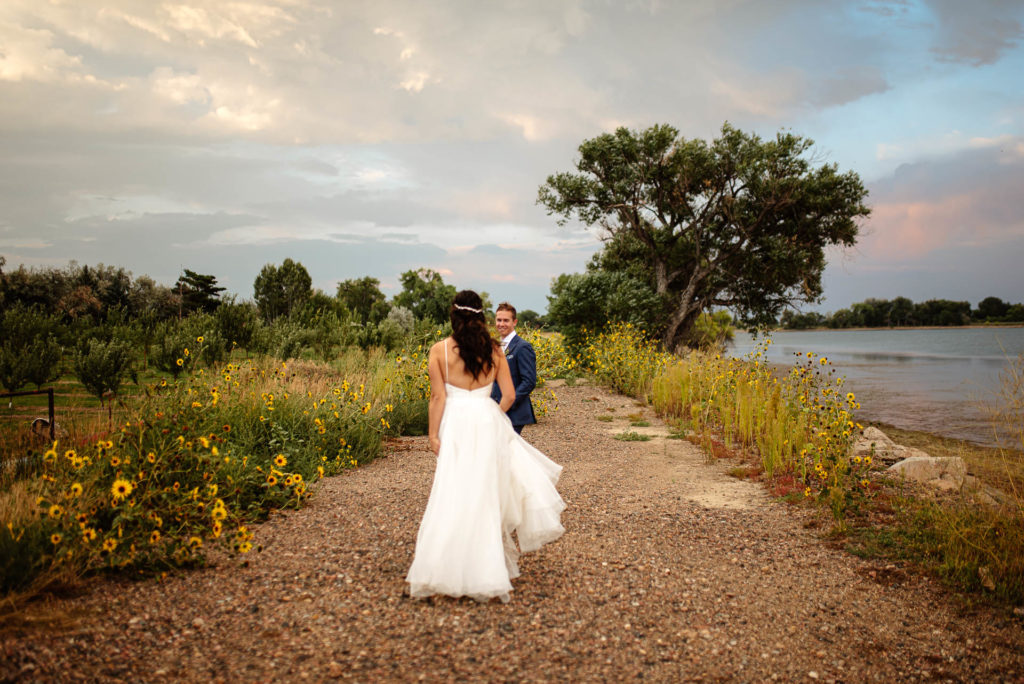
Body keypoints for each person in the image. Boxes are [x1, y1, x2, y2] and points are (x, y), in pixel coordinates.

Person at [406, 290, 565, 603]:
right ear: (481, 316)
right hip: (485, 422)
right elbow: (508, 394)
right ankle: (486, 569)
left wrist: (433, 435)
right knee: (484, 493)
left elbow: (437, 398)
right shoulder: (494, 350)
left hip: (455, 425)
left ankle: (444, 567)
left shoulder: (438, 350)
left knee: (452, 491)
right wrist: (493, 415)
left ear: (454, 316)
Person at [490, 302, 536, 435]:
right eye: (499, 320)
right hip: (495, 410)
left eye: (506, 320)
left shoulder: (523, 347)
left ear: (514, 322)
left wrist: (507, 404)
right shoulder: (495, 346)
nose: (501, 324)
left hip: (514, 413)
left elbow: (529, 382)